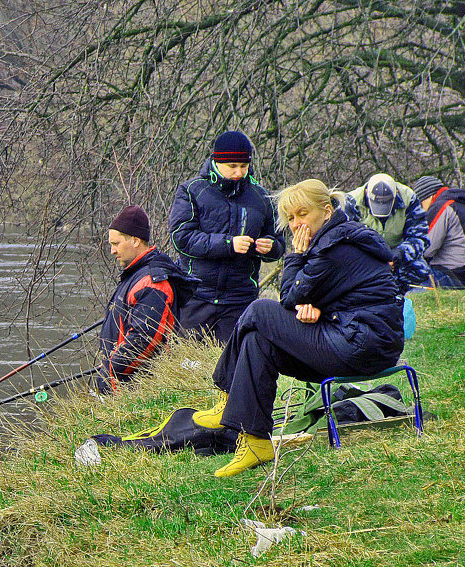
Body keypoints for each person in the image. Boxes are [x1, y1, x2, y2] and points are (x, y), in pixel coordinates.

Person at [191, 179, 404, 477]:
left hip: (362, 346)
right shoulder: (333, 242)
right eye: (290, 218)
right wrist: (320, 309)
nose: (295, 224)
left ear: (327, 211)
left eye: (302, 214)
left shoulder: (335, 247)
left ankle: (225, 396)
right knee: (257, 341)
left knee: (259, 309)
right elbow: (312, 297)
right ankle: (255, 441)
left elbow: (289, 297)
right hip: (352, 337)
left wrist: (295, 256)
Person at [168, 130, 285, 343]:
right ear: (216, 161)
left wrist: (271, 248)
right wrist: (228, 244)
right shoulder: (192, 190)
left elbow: (279, 244)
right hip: (196, 297)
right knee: (187, 366)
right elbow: (181, 237)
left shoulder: (263, 197)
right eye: (232, 166)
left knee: (233, 368)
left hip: (239, 300)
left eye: (244, 166)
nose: (239, 172)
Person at [96, 205, 194, 393]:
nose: (112, 251)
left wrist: (110, 371)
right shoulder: (135, 275)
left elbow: (145, 339)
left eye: (116, 244)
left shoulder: (151, 282)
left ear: (135, 240)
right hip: (122, 385)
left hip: (136, 389)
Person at [343, 173, 431, 293]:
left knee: (420, 270)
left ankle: (410, 294)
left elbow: (419, 237)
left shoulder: (409, 198)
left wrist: (399, 254)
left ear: (396, 194)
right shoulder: (350, 202)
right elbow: (345, 241)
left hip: (398, 256)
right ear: (367, 193)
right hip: (364, 258)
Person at [411, 175, 465, 288]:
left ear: (430, 197)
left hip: (450, 277)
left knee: (402, 284)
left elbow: (425, 249)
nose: (421, 209)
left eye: (421, 203)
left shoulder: (442, 206)